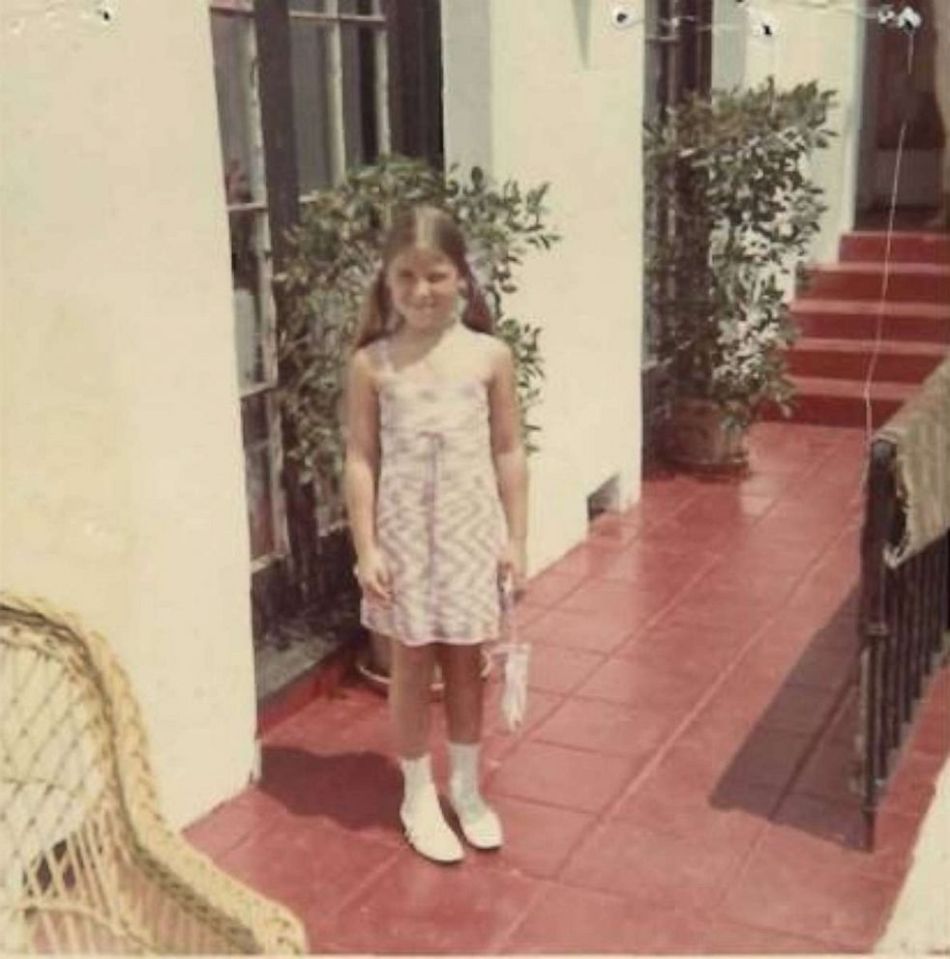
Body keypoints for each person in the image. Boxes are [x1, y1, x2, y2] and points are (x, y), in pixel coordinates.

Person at [343, 206, 528, 864]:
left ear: (462, 278)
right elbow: (360, 458)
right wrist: (366, 546)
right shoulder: (374, 364)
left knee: (466, 664)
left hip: (470, 533)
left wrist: (515, 538)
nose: (422, 291)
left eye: (437, 275)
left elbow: (509, 450)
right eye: (407, 277)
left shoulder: (489, 356)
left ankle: (468, 788)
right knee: (411, 663)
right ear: (388, 282)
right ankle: (418, 793)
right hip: (404, 540)